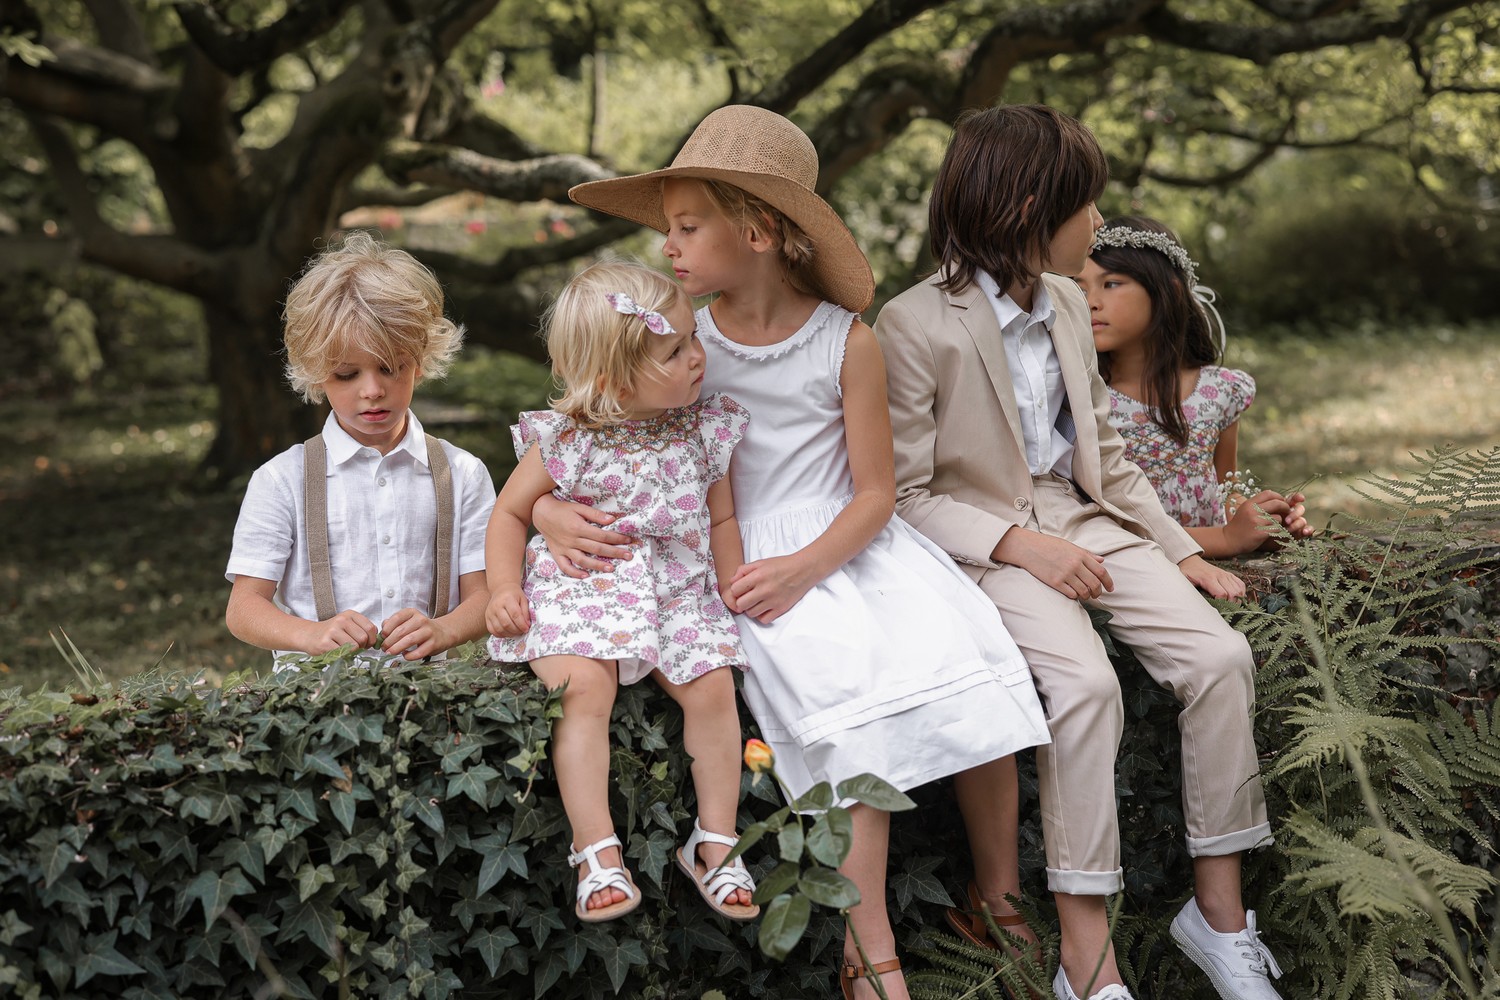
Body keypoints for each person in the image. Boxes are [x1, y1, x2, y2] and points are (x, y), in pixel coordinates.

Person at [556, 105, 1052, 1000]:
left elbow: (873, 493)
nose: (668, 248)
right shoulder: (676, 346)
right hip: (736, 557)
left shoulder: (845, 341)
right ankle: (872, 956)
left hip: (846, 548)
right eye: (667, 230)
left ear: (757, 231)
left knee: (973, 668)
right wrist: (550, 511)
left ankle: (999, 897)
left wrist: (810, 565)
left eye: (686, 226)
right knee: (846, 709)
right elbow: (591, 437)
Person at [877, 106, 1285, 1000]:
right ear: (1030, 207)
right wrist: (1018, 544)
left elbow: (1107, 456)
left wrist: (1183, 553)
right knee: (1084, 684)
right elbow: (903, 499)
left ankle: (1218, 923)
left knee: (1221, 656)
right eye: (1085, 206)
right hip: (984, 541)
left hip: (1082, 515)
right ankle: (1085, 960)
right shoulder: (913, 324)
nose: (1098, 226)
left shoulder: (1064, 302)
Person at [483, 261, 759, 925]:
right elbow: (508, 513)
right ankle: (595, 849)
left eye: (694, 339)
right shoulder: (567, 441)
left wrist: (730, 582)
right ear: (611, 379)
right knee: (585, 687)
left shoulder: (703, 429)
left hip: (678, 594)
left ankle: (714, 841)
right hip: (584, 589)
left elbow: (721, 518)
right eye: (676, 349)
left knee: (712, 685)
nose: (698, 357)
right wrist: (500, 587)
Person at [226, 232, 494, 667]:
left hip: (436, 701)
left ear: (420, 361)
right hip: (315, 706)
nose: (372, 390)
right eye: (347, 374)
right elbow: (243, 609)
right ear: (315, 373)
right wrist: (310, 635)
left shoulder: (462, 474)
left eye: (391, 368)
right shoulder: (281, 479)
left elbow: (486, 595)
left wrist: (446, 628)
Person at [1077, 216, 1312, 557]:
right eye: (1079, 287)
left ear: (1168, 290)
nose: (1091, 301)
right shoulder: (1083, 397)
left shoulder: (1218, 392)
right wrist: (1227, 540)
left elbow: (1224, 490)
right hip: (1136, 566)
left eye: (1110, 283)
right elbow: (1107, 524)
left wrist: (1264, 524)